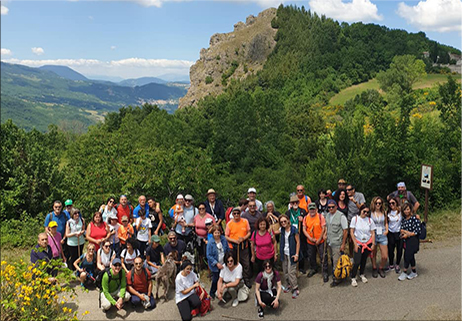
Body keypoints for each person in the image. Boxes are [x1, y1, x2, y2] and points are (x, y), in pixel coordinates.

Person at [349, 205, 376, 287]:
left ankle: (362, 274)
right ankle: (353, 276)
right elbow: (352, 232)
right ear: (360, 210)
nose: (365, 213)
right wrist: (355, 244)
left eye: (367, 212)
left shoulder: (370, 220)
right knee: (357, 261)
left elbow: (373, 233)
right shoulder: (355, 219)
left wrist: (373, 244)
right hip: (358, 242)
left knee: (364, 260)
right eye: (364, 211)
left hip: (368, 242)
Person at [225, 207, 251, 288]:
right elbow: (226, 236)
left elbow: (249, 232)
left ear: (240, 214)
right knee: (234, 263)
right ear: (232, 214)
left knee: (246, 263)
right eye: (234, 213)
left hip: (244, 245)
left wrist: (244, 238)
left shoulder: (245, 221)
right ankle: (235, 279)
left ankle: (246, 278)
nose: (236, 215)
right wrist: (233, 240)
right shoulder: (229, 224)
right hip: (233, 246)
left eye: (238, 213)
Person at [274, 214, 300, 299]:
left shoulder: (294, 230)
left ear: (288, 220)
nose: (283, 223)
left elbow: (298, 242)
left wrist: (296, 254)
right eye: (281, 222)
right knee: (285, 271)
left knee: (291, 272)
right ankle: (289, 284)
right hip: (284, 253)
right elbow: (272, 231)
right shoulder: (282, 229)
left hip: (292, 253)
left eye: (285, 221)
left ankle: (295, 288)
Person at [325, 200, 348, 287]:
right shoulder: (327, 215)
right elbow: (327, 227)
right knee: (333, 259)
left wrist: (343, 244)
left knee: (336, 261)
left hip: (337, 243)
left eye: (332, 207)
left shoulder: (341, 216)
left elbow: (345, 231)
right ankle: (340, 273)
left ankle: (337, 278)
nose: (330, 208)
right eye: (329, 207)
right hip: (330, 242)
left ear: (336, 206)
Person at [303, 202, 328, 282]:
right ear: (308, 210)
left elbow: (323, 228)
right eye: (310, 209)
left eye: (313, 209)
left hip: (320, 241)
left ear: (316, 209)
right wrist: (310, 238)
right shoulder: (306, 218)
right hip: (310, 241)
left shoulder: (321, 217)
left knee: (323, 256)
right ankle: (314, 268)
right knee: (311, 256)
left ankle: (325, 271)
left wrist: (319, 239)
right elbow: (304, 229)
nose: (312, 211)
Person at [398, 203, 421, 281]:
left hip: (413, 240)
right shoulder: (404, 219)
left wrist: (407, 234)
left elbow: (417, 231)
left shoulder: (414, 218)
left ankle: (404, 271)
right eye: (405, 209)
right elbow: (401, 229)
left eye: (408, 209)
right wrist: (405, 233)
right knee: (411, 256)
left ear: (410, 209)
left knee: (407, 256)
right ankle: (414, 271)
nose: (406, 211)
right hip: (405, 240)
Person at [206, 224, 230, 300]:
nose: (217, 234)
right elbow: (209, 255)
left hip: (224, 263)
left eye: (218, 232)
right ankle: (212, 293)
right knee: (216, 279)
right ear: (212, 233)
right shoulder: (210, 242)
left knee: (224, 278)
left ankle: (222, 292)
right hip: (215, 265)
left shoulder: (223, 239)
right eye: (215, 233)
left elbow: (227, 250)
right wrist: (216, 263)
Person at [285, 195, 307, 274]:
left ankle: (301, 267)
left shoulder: (303, 211)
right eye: (293, 202)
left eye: (296, 202)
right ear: (290, 203)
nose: (295, 203)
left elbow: (306, 220)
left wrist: (303, 218)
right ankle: (293, 266)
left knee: (302, 249)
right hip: (291, 233)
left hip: (301, 233)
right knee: (293, 249)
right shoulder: (288, 212)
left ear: (298, 202)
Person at [370, 196, 388, 278]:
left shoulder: (384, 212)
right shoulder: (370, 213)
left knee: (384, 255)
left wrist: (387, 230)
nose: (378, 204)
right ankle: (374, 267)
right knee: (373, 253)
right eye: (376, 203)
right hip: (373, 234)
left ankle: (381, 268)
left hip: (382, 234)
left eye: (379, 203)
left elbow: (386, 222)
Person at [194, 202, 216, 268]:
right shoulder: (196, 217)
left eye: (203, 208)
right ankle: (202, 265)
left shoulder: (210, 217)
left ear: (205, 209)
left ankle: (209, 266)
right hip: (198, 237)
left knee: (206, 252)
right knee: (200, 252)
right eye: (200, 208)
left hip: (207, 237)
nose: (201, 210)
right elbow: (194, 225)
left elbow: (215, 226)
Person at [346, 184, 366, 258]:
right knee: (350, 239)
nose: (347, 191)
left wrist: (355, 202)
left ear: (353, 190)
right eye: (346, 190)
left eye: (349, 190)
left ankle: (360, 254)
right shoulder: (346, 196)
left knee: (359, 237)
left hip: (359, 219)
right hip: (350, 219)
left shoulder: (360, 195)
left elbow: (362, 208)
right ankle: (351, 256)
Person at [387, 198, 403, 273]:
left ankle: (397, 264)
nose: (391, 205)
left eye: (393, 203)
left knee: (399, 249)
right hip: (390, 232)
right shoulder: (387, 212)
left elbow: (409, 213)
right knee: (390, 249)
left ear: (396, 203)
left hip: (398, 232)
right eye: (390, 203)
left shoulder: (400, 212)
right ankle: (391, 264)